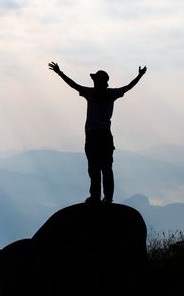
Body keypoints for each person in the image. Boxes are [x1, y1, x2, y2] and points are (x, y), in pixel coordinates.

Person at [48, 61, 147, 204]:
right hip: (105, 136)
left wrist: (59, 72)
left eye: (95, 80)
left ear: (98, 82)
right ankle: (107, 198)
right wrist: (140, 76)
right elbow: (128, 87)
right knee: (105, 168)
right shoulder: (110, 93)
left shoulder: (91, 93)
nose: (94, 82)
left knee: (95, 168)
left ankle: (96, 197)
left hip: (93, 136)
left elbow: (73, 85)